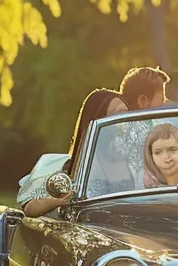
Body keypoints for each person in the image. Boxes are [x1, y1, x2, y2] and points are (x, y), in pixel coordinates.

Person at [18, 88, 129, 217]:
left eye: (128, 113)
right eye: (119, 114)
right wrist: (57, 201)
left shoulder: (138, 162)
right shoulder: (68, 167)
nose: (126, 120)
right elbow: (30, 209)